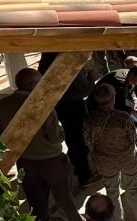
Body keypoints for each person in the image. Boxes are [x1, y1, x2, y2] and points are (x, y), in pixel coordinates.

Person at [0, 68, 88, 221]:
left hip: (25, 161)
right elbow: (55, 137)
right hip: (52, 160)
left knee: (37, 202)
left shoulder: (1, 105)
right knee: (64, 198)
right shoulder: (42, 103)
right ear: (33, 84)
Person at [83, 83, 137, 221]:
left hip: (105, 161)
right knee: (134, 189)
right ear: (113, 98)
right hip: (127, 158)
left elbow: (88, 142)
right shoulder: (123, 117)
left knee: (112, 192)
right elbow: (136, 138)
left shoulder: (90, 119)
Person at [38, 54, 96, 186]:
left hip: (56, 104)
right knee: (77, 140)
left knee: (72, 138)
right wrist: (91, 79)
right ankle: (84, 175)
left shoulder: (47, 57)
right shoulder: (69, 59)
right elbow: (82, 89)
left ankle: (74, 166)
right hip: (72, 105)